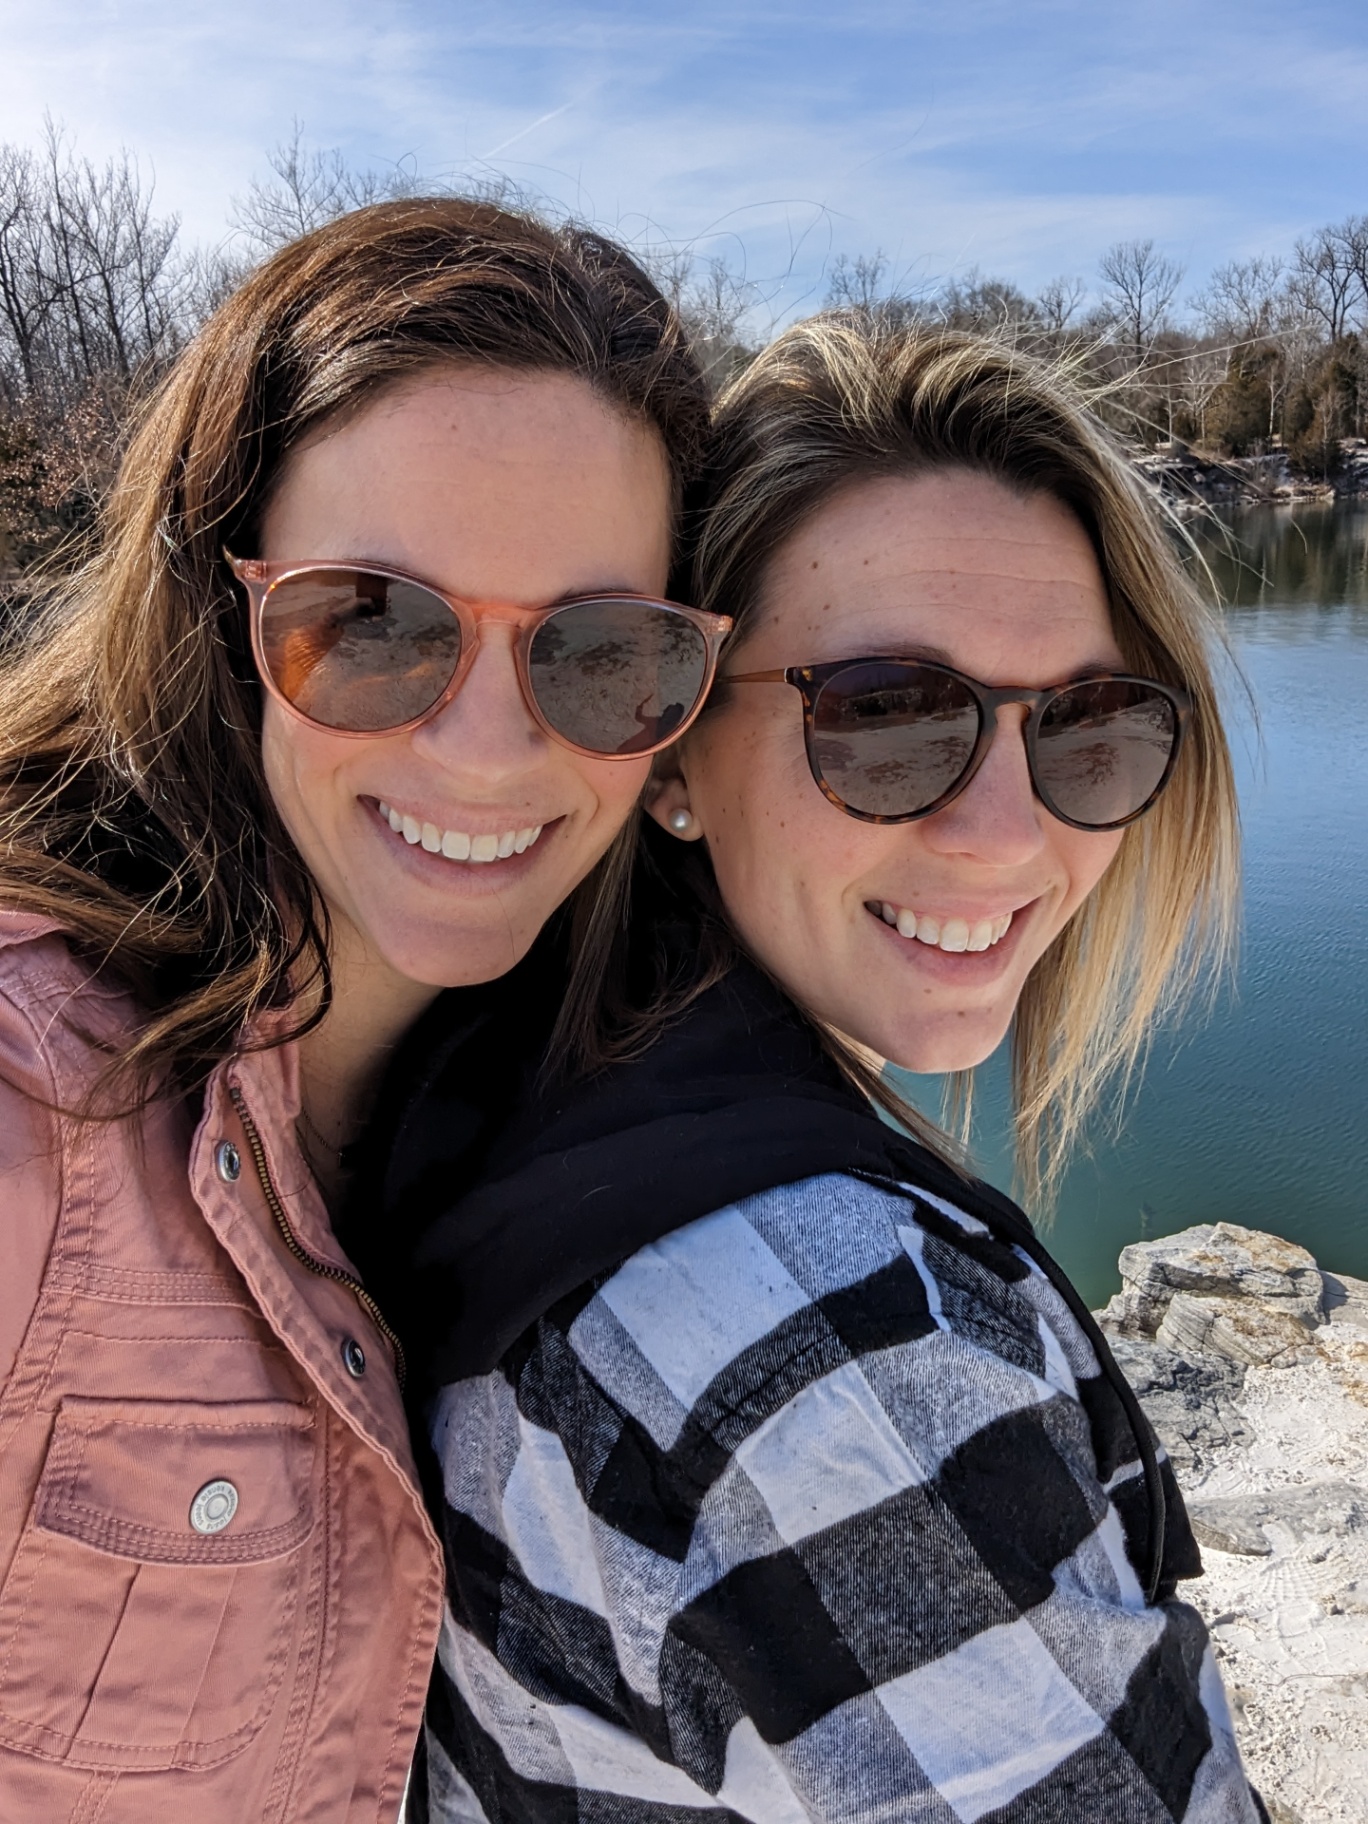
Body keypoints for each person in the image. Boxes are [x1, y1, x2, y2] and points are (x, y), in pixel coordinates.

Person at [377, 319, 1267, 1821]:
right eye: (885, 718)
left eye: (1090, 729)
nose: (1006, 835)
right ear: (667, 754)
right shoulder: (829, 1349)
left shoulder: (542, 1082)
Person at [0, 197, 720, 1822]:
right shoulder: (34, 1108)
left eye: (603, 654)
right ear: (224, 616)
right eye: (372, 623)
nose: (485, 748)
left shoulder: (587, 1084)